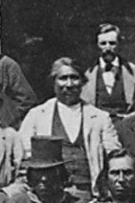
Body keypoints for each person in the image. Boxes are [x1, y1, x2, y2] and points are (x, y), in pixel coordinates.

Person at [18, 58, 117, 190]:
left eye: (74, 78)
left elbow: (114, 157)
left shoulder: (100, 117)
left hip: (89, 192)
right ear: (53, 81)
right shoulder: (37, 115)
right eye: (63, 78)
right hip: (50, 191)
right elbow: (23, 155)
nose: (69, 84)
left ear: (82, 82)